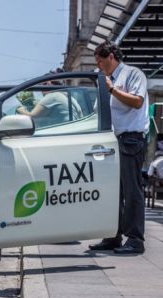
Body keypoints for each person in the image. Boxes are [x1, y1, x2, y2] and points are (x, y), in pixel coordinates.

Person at [89, 40, 149, 254]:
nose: (98, 66)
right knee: (113, 191)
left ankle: (135, 240)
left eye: (100, 61)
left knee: (132, 191)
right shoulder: (106, 79)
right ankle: (113, 235)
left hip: (130, 139)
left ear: (111, 57)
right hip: (111, 142)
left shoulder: (133, 74)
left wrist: (112, 89)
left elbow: (137, 102)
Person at [16, 79, 82, 127]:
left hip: (60, 135)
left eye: (43, 85)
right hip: (72, 132)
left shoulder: (52, 96)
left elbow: (32, 117)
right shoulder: (71, 98)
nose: (40, 89)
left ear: (49, 84)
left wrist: (20, 109)